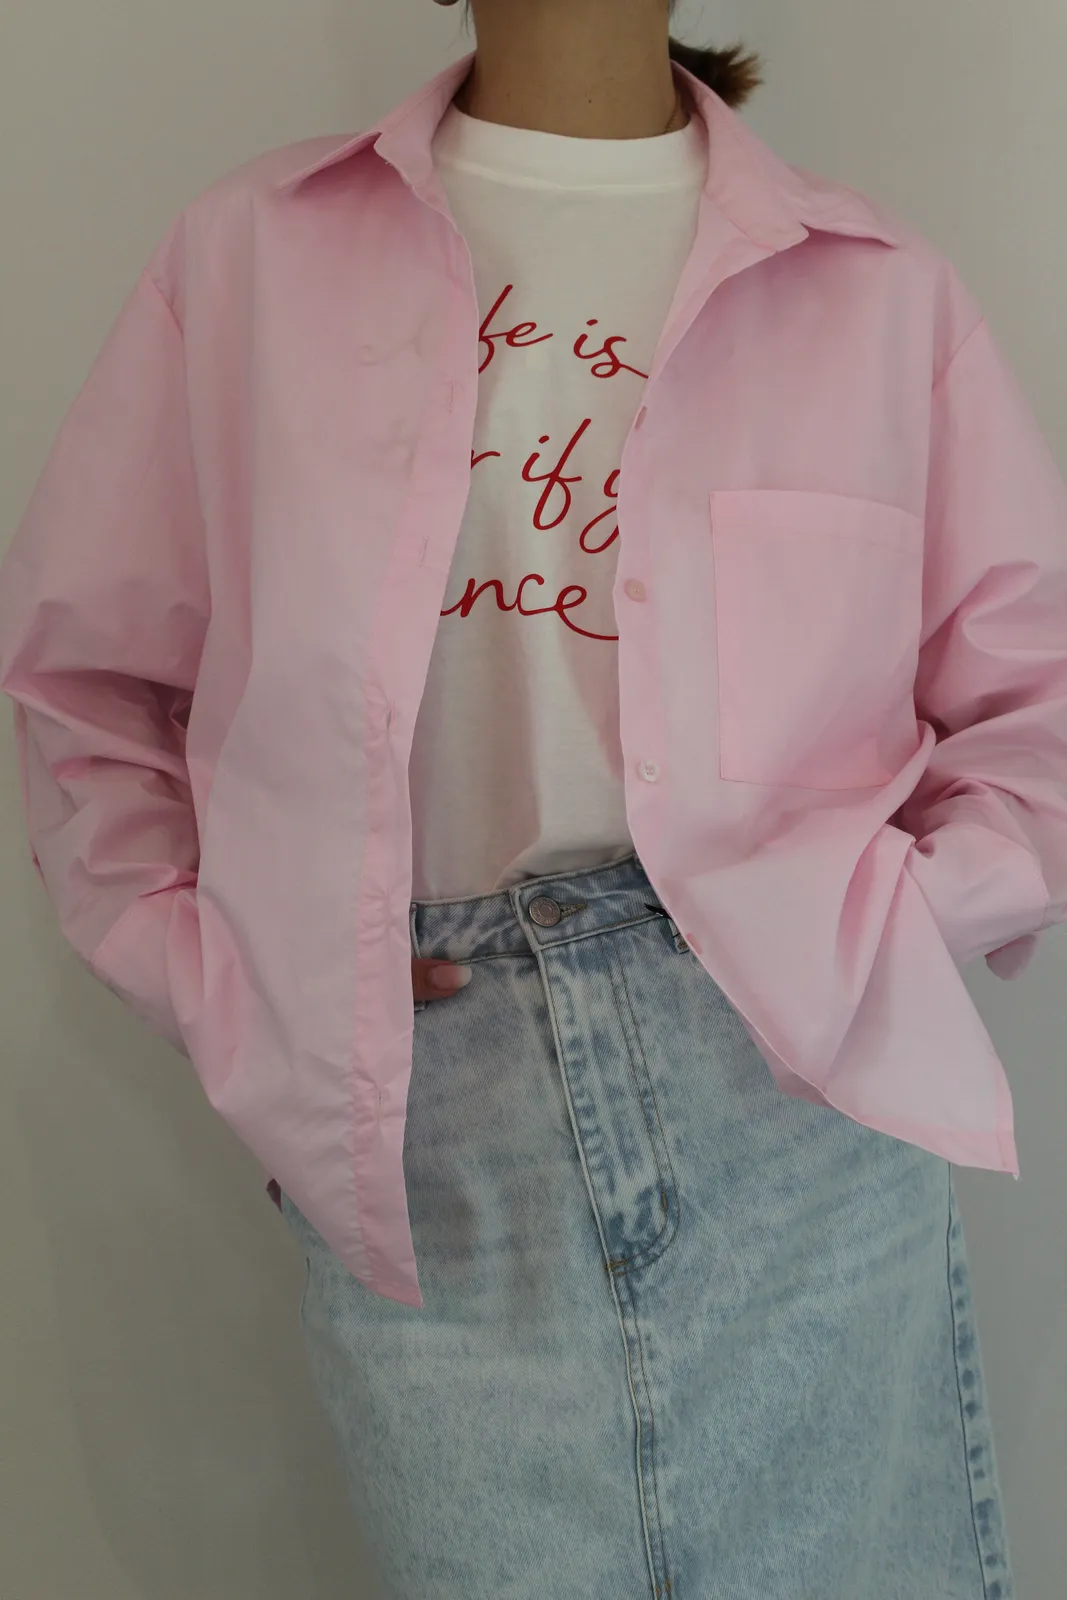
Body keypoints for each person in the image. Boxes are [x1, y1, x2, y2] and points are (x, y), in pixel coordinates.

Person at [3, 1, 1065, 1595]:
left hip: (792, 1107)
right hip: (434, 1122)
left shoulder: (873, 288)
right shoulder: (249, 261)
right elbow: (87, 682)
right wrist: (232, 986)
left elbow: (1030, 702)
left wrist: (892, 928)